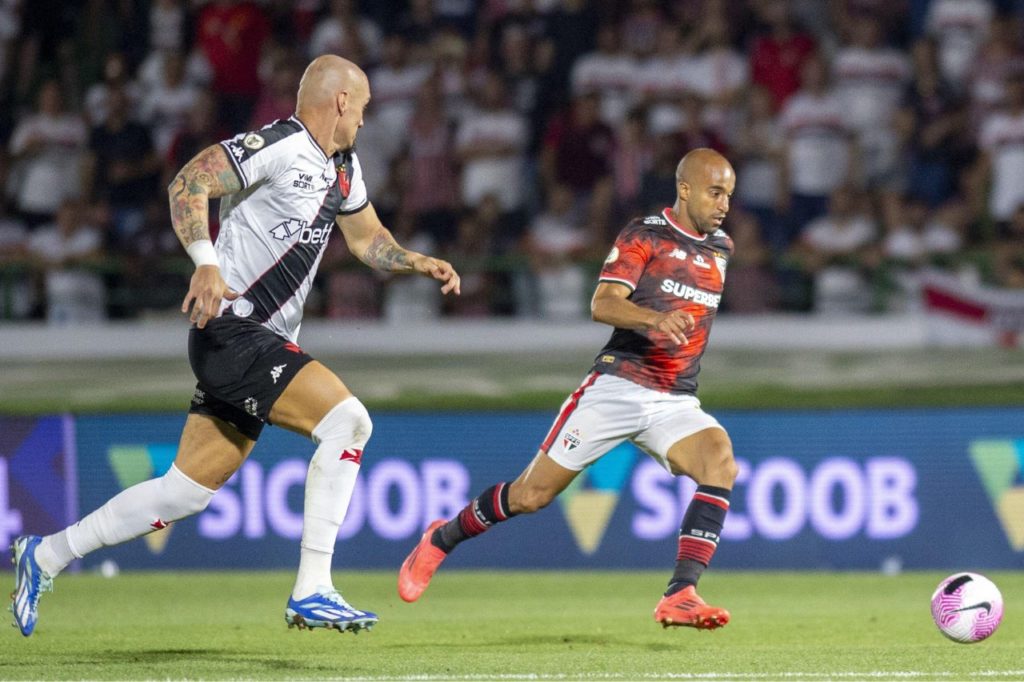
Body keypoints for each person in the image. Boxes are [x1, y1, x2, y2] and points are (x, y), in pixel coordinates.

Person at [10, 55, 461, 638]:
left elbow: (368, 239)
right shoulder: (278, 145)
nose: (366, 122)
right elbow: (190, 183)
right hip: (234, 331)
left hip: (254, 342)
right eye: (365, 108)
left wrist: (412, 260)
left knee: (183, 492)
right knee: (348, 423)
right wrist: (205, 262)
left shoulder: (344, 168)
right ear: (342, 101)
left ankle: (43, 555)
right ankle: (313, 589)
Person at [398, 148, 738, 630]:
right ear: (685, 189)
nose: (724, 204)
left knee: (720, 460)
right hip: (618, 385)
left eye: (729, 194)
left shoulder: (721, 247)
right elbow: (603, 303)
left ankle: (681, 593)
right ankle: (442, 537)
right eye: (715, 191)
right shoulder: (645, 235)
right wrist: (655, 319)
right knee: (531, 496)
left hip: (675, 398)